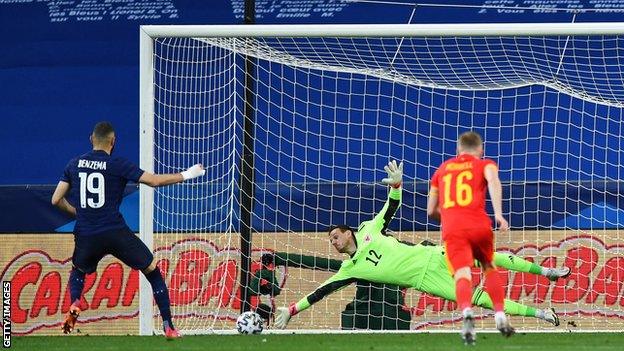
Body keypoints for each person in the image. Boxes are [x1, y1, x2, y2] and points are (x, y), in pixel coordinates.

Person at [273, 160, 568, 330]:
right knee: (477, 298)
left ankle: (546, 272)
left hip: (433, 254)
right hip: (425, 279)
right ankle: (541, 314)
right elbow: (320, 292)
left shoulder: (369, 230)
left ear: (348, 233)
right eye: (331, 241)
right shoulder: (350, 269)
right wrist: (291, 309)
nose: (333, 242)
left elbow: (390, 207)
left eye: (335, 236)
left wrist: (397, 185)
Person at [51, 121, 206, 339]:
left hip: (86, 233)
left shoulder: (74, 164)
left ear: (91, 139)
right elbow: (153, 181)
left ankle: (76, 299)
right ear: (113, 142)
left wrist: (78, 212)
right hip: (115, 231)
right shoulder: (117, 164)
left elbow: (56, 199)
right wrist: (188, 174)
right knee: (152, 270)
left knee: (78, 270)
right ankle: (169, 326)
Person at [427, 131, 511, 344]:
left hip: (453, 228)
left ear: (458, 149)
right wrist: (499, 214)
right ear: (480, 150)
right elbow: (493, 180)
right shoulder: (485, 164)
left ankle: (466, 313)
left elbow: (430, 211)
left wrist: (447, 219)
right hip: (479, 225)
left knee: (462, 274)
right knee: (488, 266)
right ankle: (500, 314)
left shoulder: (442, 170)